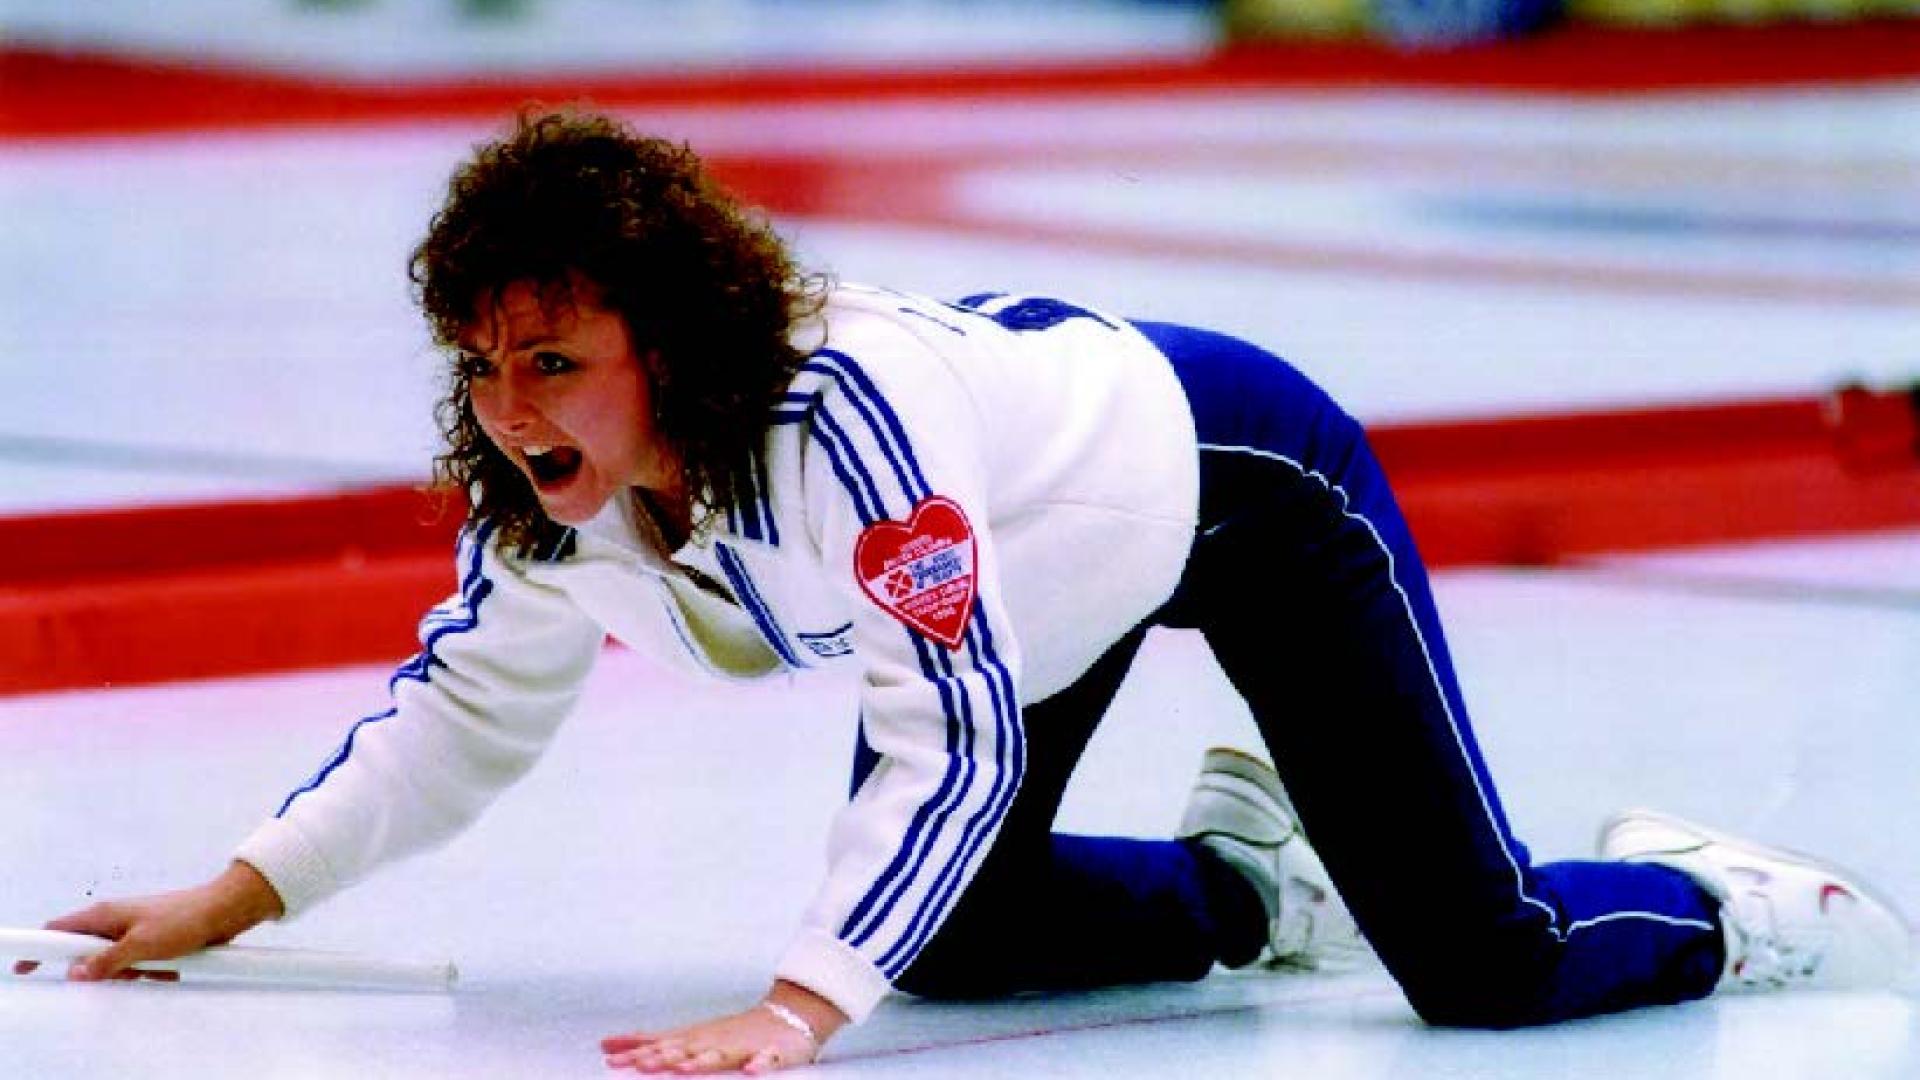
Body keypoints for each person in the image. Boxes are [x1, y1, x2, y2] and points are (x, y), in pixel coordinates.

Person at [16, 110, 1909, 1074]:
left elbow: (956, 730)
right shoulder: (548, 504)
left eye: (558, 361)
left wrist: (793, 1007)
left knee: (1485, 966)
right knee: (951, 933)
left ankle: (1733, 904)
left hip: (1235, 481)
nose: (513, 413)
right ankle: (1250, 887)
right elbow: (457, 717)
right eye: (487, 366)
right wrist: (234, 894)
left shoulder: (840, 419)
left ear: (667, 341)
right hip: (1037, 567)